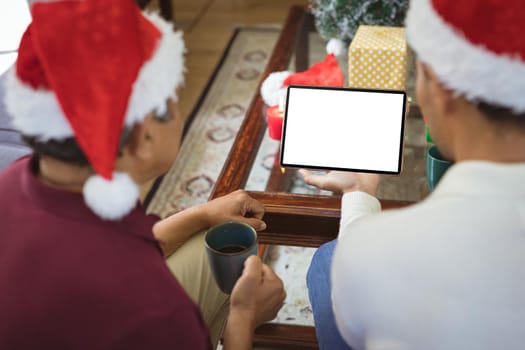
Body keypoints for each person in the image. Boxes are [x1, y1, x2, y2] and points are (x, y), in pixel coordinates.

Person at [0, 0, 286, 349]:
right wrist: (245, 317)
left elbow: (109, 255)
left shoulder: (16, 178)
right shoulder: (154, 312)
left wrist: (199, 214)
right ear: (143, 137)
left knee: (211, 244)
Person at [302, 0, 525, 349]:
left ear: (442, 88)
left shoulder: (373, 253)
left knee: (327, 262)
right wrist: (361, 187)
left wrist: (360, 197)